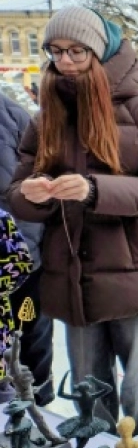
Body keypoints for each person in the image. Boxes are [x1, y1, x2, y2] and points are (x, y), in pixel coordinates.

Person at [6, 6, 138, 444]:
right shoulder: (45, 118)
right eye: (56, 51)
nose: (64, 61)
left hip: (134, 277)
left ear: (100, 51)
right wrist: (32, 194)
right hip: (73, 281)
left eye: (76, 51)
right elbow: (15, 193)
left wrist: (93, 190)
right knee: (89, 397)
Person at [0, 93, 53, 407]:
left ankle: (36, 416)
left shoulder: (13, 115)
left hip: (22, 259)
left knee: (30, 347)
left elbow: (41, 175)